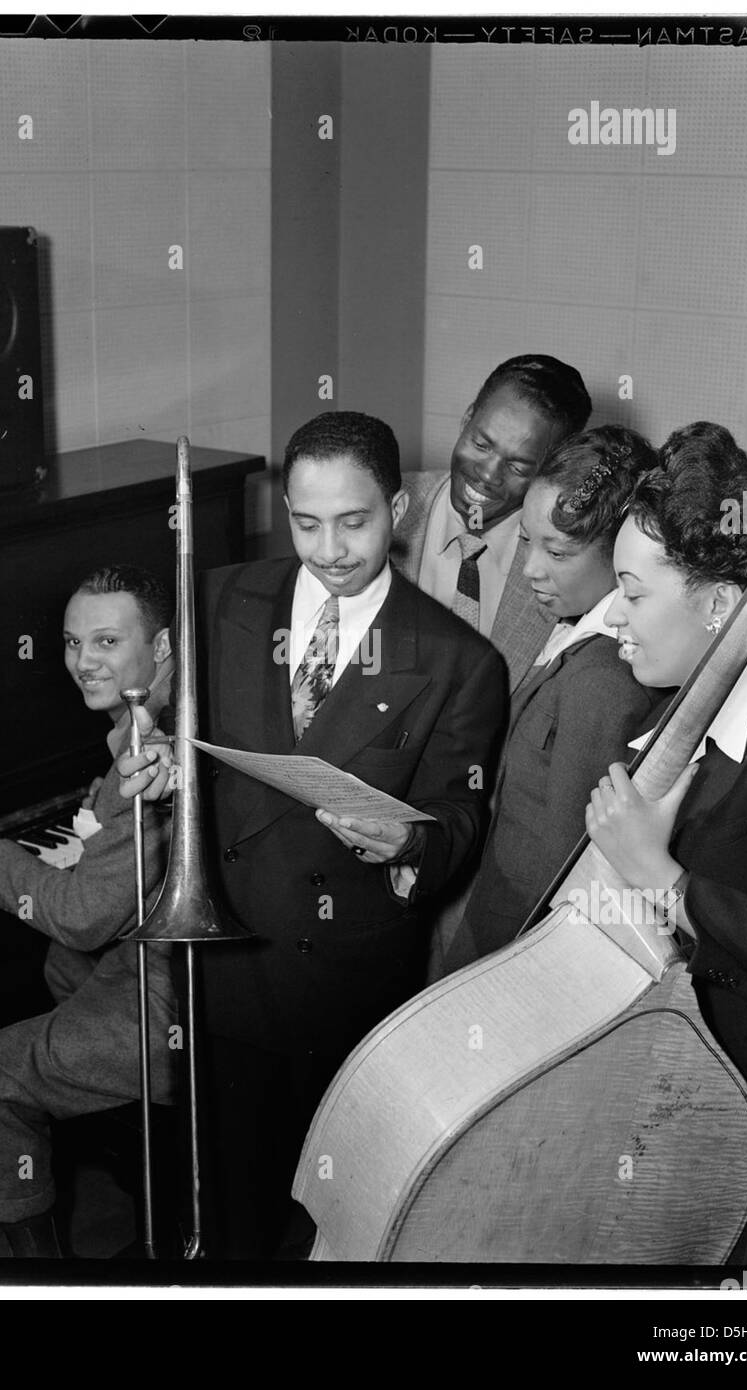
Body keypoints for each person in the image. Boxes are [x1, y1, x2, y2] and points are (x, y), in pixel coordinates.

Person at [121, 411, 508, 1258]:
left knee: (324, 1218)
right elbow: (172, 729)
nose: (329, 548)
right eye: (306, 522)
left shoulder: (458, 660)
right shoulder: (222, 596)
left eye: (354, 521)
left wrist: (407, 843)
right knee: (220, 1196)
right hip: (218, 954)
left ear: (399, 510)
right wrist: (155, 763)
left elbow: (460, 817)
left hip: (339, 983)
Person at [0, 565, 180, 1257]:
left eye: (107, 642)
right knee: (60, 967)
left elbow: (88, 913)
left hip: (178, 1005)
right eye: (69, 642)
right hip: (160, 968)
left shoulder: (160, 755)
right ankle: (156, 1186)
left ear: (164, 646)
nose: (82, 662)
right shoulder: (151, 717)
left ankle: (47, 1275)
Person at [583, 421, 747, 1262]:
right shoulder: (687, 697)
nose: (610, 614)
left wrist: (660, 878)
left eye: (631, 591)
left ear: (717, 605)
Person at [441, 426, 669, 973]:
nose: (530, 570)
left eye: (557, 551)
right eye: (526, 540)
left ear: (620, 552)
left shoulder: (606, 682)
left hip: (514, 952)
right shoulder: (576, 628)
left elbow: (565, 869)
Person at [391, 353, 592, 691]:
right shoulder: (384, 510)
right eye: (481, 444)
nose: (486, 473)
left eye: (517, 467)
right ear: (467, 418)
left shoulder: (574, 561)